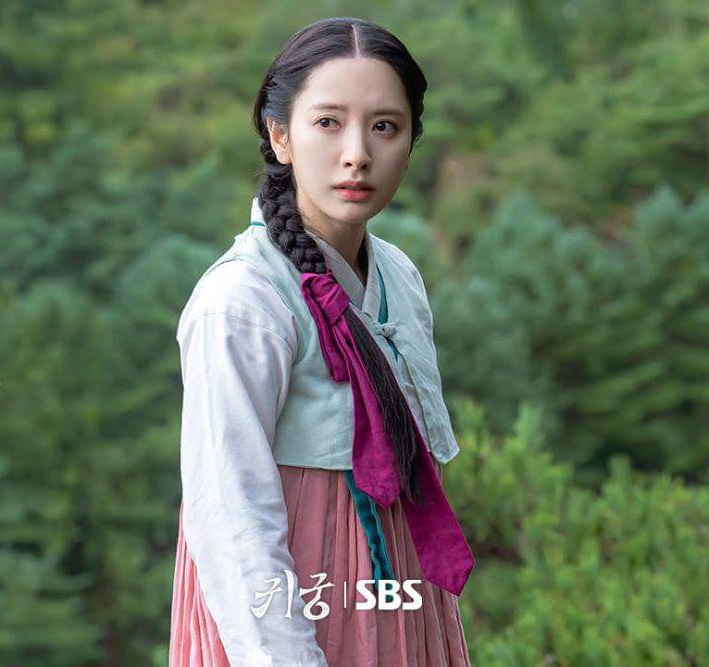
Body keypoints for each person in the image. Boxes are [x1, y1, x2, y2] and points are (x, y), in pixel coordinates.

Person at [169, 17, 474, 666]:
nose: (357, 153)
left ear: (411, 144)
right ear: (280, 135)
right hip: (290, 612)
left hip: (397, 600)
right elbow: (230, 519)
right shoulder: (243, 301)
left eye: (384, 126)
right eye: (328, 122)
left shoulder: (399, 275)